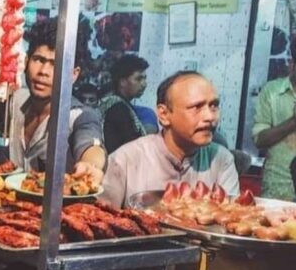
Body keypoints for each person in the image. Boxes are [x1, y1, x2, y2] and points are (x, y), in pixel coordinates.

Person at [101, 71, 239, 208]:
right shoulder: (125, 160)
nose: (209, 117)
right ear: (164, 114)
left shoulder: (221, 160)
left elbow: (230, 221)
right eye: (196, 107)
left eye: (214, 106)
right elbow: (101, 220)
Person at [7, 18, 105, 182]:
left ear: (73, 74)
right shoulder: (15, 101)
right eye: (38, 60)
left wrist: (90, 166)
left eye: (55, 64)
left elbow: (91, 144)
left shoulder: (79, 116)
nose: (43, 71)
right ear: (26, 62)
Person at [253, 34, 296, 201]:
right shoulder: (272, 92)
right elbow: (259, 140)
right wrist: (294, 122)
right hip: (277, 188)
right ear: (291, 64)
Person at [97, 55, 151, 153]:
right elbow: (129, 148)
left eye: (144, 78)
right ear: (122, 82)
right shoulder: (117, 109)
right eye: (138, 79)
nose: (144, 84)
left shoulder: (113, 104)